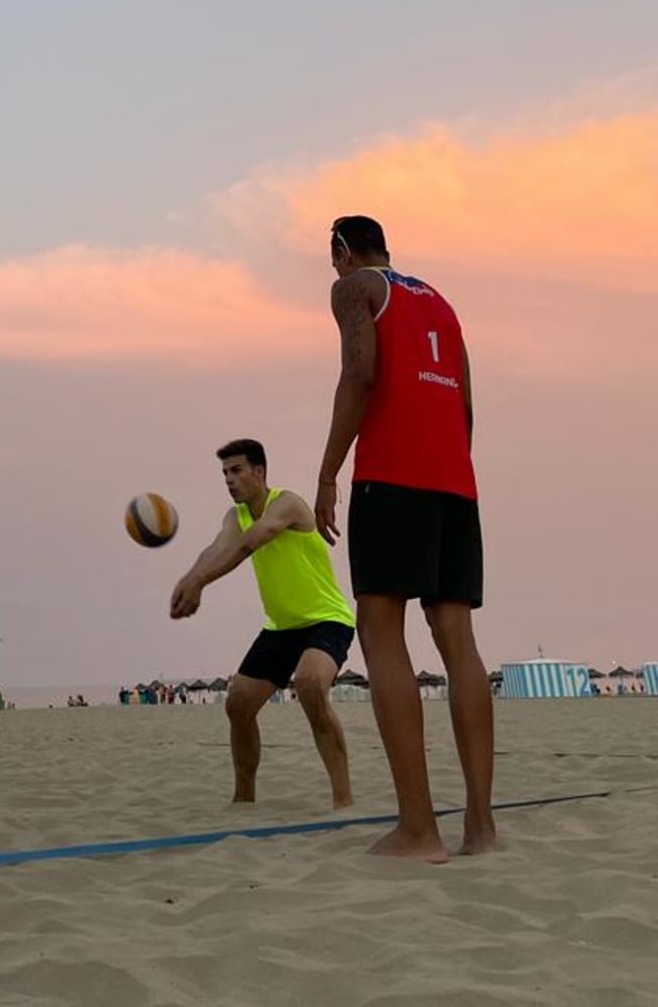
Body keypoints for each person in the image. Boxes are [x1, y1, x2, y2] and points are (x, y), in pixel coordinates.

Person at [314, 216, 494, 861]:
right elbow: (467, 405)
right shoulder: (441, 302)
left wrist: (329, 472)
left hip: (392, 476)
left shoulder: (355, 287)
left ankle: (419, 829)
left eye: (331, 256)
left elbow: (360, 372)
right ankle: (481, 828)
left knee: (381, 629)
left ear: (342, 249)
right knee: (459, 645)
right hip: (455, 483)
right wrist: (453, 474)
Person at [171, 439, 355, 809]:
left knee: (309, 684)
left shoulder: (286, 504)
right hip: (280, 628)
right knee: (237, 704)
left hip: (327, 619)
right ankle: (244, 800)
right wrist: (189, 577)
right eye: (225, 473)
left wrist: (200, 583)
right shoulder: (234, 515)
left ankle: (344, 800)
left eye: (236, 470)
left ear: (260, 472)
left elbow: (248, 545)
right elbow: (217, 548)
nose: (229, 480)